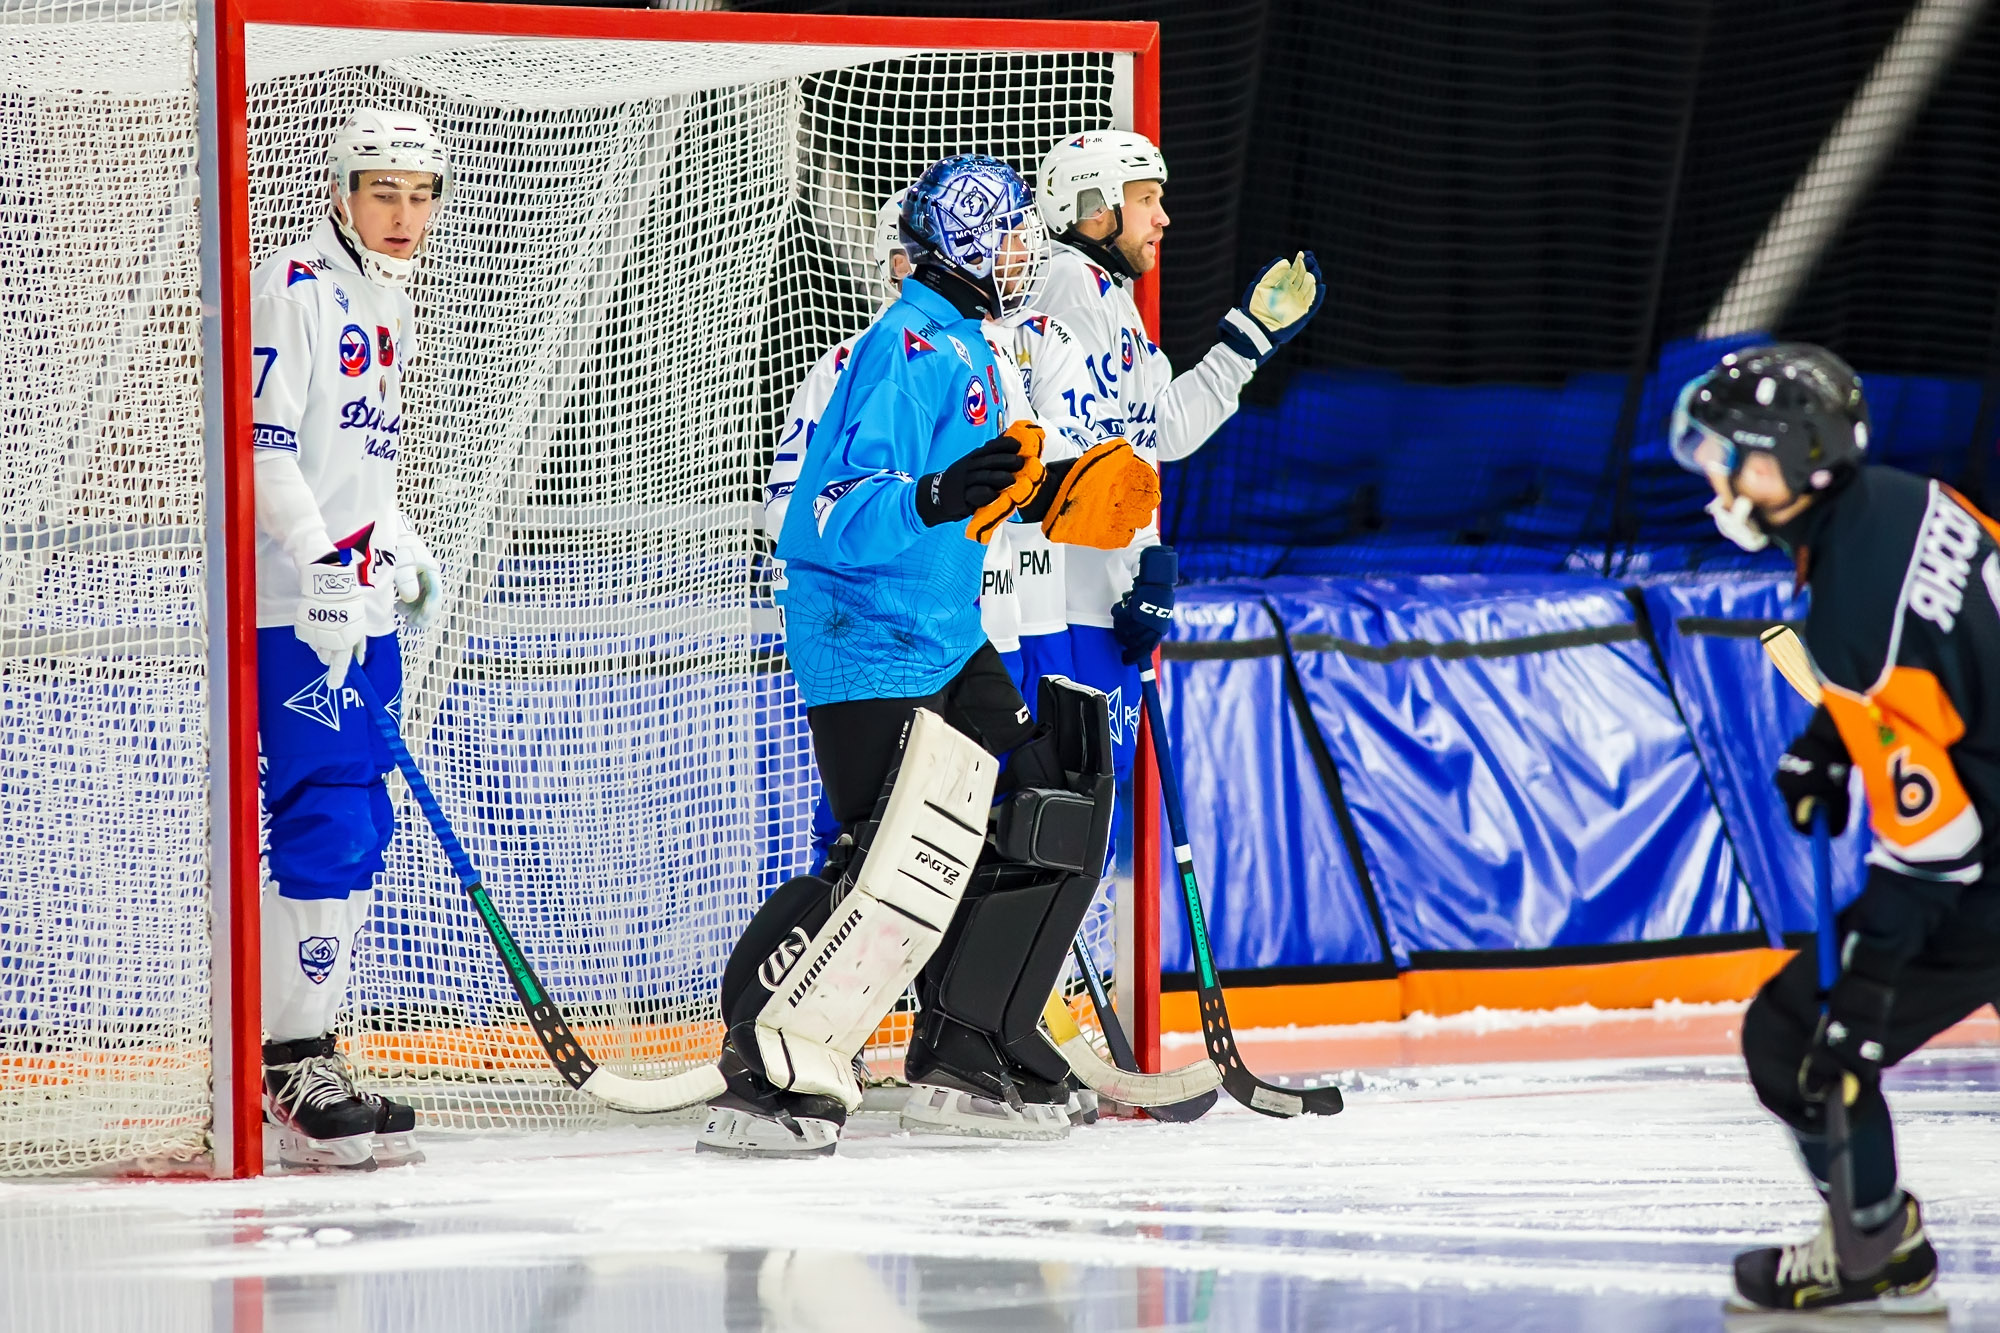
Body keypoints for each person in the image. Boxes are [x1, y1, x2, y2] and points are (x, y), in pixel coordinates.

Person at [699, 153, 1156, 1157]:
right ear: (955, 242)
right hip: (866, 639)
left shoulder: (975, 346)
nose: (1017, 254)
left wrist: (1056, 493)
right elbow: (819, 518)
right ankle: (758, 1061)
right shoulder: (900, 350)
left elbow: (990, 480)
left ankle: (967, 1043)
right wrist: (933, 498)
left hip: (946, 634)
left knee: (1051, 804)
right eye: (1000, 237)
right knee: (883, 860)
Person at [1672, 342, 1999, 1313]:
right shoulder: (1908, 499)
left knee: (1793, 1038)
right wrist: (1831, 736)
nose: (1711, 473)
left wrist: (1859, 1002)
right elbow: (1943, 654)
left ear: (1791, 463)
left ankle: (1873, 1251)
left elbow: (1935, 849)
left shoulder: (1848, 615)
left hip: (1981, 864)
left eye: (1730, 453)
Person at [1031, 129, 1324, 884]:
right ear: (1093, 207)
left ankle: (1032, 990)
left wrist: (1250, 336)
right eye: (1148, 200)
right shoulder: (1066, 290)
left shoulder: (1111, 302)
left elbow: (1163, 430)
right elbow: (1079, 465)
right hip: (1066, 603)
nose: (1163, 219)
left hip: (1100, 597)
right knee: (1057, 813)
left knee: (1081, 815)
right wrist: (1140, 570)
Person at [250, 107, 449, 1171]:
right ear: (340, 192)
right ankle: (287, 1062)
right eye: (384, 191)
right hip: (298, 605)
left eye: (420, 195)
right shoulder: (296, 287)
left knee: (361, 821)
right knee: (323, 815)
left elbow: (359, 466)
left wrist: (397, 543)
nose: (403, 213)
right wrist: (320, 560)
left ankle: (314, 1043)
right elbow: (265, 447)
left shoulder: (386, 299)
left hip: (360, 604)